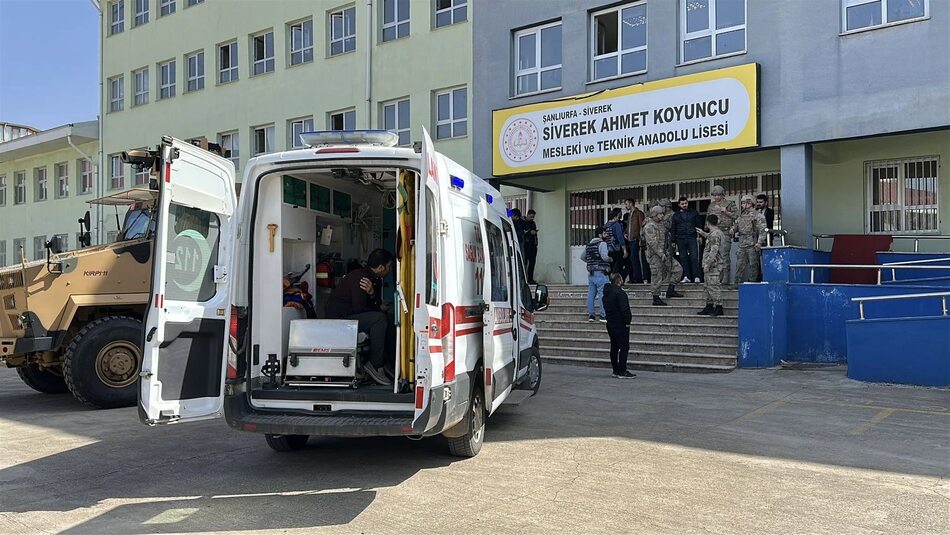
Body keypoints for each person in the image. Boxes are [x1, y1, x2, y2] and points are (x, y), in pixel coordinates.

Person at [325, 248, 395, 385]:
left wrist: (374, 299)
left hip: (350, 316)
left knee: (389, 318)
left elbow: (373, 305)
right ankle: (375, 364)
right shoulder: (361, 278)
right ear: (381, 267)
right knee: (379, 319)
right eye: (389, 266)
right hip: (340, 320)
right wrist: (373, 296)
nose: (390, 269)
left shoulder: (374, 279)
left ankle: (388, 361)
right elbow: (360, 308)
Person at [642, 206, 684, 306]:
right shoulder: (649, 226)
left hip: (666, 254)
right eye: (660, 214)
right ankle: (656, 298)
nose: (662, 215)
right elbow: (652, 243)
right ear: (654, 215)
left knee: (678, 269)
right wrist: (661, 254)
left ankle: (671, 289)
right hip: (655, 256)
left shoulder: (662, 224)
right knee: (657, 276)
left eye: (662, 213)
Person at [603, 273, 635, 378]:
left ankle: (615, 370)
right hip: (620, 324)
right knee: (624, 347)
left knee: (614, 347)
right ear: (619, 280)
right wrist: (628, 321)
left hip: (610, 323)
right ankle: (622, 370)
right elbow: (625, 309)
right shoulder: (620, 293)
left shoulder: (606, 294)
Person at [706, 185, 738, 284]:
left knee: (724, 255)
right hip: (714, 232)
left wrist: (726, 212)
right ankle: (717, 278)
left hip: (725, 232)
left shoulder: (729, 204)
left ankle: (725, 278)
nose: (716, 197)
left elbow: (737, 216)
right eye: (715, 195)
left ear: (722, 195)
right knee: (714, 255)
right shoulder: (711, 206)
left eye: (719, 195)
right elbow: (707, 218)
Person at [734, 194, 769, 283]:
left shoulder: (758, 215)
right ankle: (737, 282)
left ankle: (753, 282)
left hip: (752, 243)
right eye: (742, 203)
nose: (744, 205)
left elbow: (762, 230)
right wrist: (733, 229)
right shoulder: (741, 215)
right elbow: (736, 226)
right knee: (739, 265)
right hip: (742, 244)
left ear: (751, 203)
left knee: (754, 265)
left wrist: (759, 242)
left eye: (746, 203)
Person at [697, 215, 726, 317]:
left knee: (713, 286)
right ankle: (709, 306)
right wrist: (703, 233)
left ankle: (718, 307)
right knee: (707, 286)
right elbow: (711, 238)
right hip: (713, 265)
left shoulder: (715, 234)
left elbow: (714, 251)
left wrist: (707, 264)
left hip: (714, 265)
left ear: (707, 223)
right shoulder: (716, 233)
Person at [582, 226, 611, 323]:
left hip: (591, 273)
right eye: (604, 233)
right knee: (602, 294)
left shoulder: (589, 245)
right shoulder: (602, 243)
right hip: (600, 272)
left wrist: (591, 262)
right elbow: (604, 257)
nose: (606, 235)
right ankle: (603, 316)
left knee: (591, 294)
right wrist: (610, 259)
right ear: (600, 235)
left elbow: (582, 257)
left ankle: (591, 315)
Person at [671, 196, 703, 283]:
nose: (684, 205)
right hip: (680, 239)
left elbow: (699, 224)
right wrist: (673, 241)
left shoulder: (694, 213)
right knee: (683, 258)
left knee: (694, 257)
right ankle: (686, 276)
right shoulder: (676, 215)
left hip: (692, 237)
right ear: (679, 205)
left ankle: (696, 276)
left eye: (685, 203)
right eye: (682, 204)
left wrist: (700, 236)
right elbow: (673, 228)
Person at [659, 199, 685, 288]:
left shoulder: (673, 215)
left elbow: (672, 227)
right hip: (663, 240)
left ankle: (672, 279)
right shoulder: (662, 215)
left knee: (670, 259)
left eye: (662, 206)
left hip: (671, 240)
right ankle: (666, 277)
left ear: (667, 207)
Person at [623, 198, 645, 284]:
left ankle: (638, 278)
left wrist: (641, 238)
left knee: (634, 258)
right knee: (632, 259)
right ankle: (634, 278)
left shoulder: (638, 213)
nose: (626, 206)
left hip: (636, 239)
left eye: (626, 204)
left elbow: (641, 226)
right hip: (630, 239)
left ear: (631, 203)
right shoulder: (630, 214)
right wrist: (625, 233)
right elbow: (629, 226)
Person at [604, 207, 627, 278]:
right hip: (615, 249)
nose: (619, 218)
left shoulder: (605, 226)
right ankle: (617, 280)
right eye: (618, 217)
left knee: (611, 266)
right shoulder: (616, 225)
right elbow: (620, 238)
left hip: (607, 250)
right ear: (615, 217)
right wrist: (624, 250)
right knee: (621, 265)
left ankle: (612, 280)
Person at [523, 209, 539, 284]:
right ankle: (524, 279)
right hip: (526, 245)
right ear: (528, 215)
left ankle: (530, 279)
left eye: (533, 217)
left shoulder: (533, 223)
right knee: (525, 262)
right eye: (531, 216)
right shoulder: (523, 222)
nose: (532, 218)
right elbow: (522, 232)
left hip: (533, 245)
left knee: (532, 263)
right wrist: (529, 232)